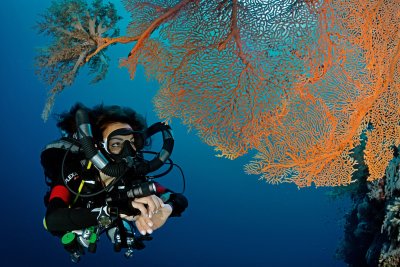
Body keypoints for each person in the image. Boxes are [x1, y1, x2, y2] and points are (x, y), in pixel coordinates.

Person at [41, 103, 188, 260]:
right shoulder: (75, 171)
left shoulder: (133, 176)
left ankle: (117, 227)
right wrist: (116, 210)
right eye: (116, 144)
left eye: (132, 143)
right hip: (77, 215)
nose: (128, 152)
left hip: (108, 214)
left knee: (120, 230)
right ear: (97, 147)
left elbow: (178, 199)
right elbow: (51, 220)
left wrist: (167, 208)